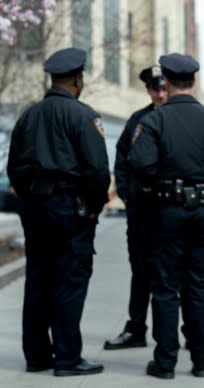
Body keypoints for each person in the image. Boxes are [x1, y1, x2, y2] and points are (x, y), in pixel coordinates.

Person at [128, 53, 204, 379]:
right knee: (200, 285)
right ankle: (201, 361)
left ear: (165, 81)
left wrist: (160, 178)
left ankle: (165, 363)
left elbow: (139, 163)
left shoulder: (153, 121)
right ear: (193, 82)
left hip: (165, 210)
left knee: (165, 287)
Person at [7, 47, 109, 376]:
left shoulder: (28, 116)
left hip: (35, 208)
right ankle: (67, 358)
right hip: (70, 209)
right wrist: (93, 209)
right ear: (78, 80)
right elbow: (97, 171)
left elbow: (14, 169)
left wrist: (30, 201)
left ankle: (37, 356)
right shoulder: (83, 116)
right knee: (69, 280)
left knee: (38, 278)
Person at [104, 66, 167, 350]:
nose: (161, 94)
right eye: (156, 89)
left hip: (173, 209)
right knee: (141, 271)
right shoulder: (136, 121)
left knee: (179, 273)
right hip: (142, 210)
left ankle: (191, 331)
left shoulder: (182, 117)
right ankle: (136, 328)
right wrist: (128, 196)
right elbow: (123, 161)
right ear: (149, 91)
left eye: (165, 89)